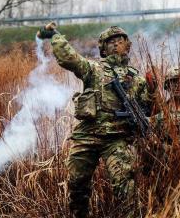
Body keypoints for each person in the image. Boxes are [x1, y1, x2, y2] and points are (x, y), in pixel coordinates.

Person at [37, 24, 156, 218]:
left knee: (125, 186)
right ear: (103, 49)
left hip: (117, 139)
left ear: (128, 46)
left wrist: (152, 92)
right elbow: (69, 58)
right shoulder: (93, 69)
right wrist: (55, 36)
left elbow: (147, 111)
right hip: (88, 135)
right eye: (111, 42)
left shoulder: (138, 79)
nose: (117, 43)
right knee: (76, 184)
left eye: (121, 40)